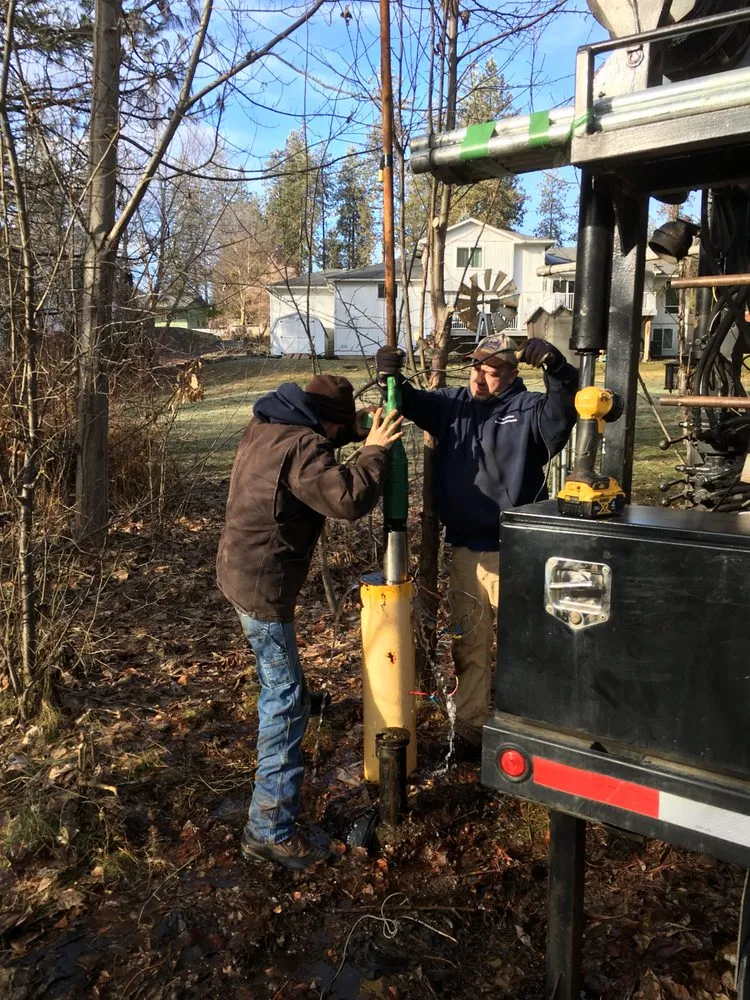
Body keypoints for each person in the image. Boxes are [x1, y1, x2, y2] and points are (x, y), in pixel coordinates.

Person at [217, 374, 402, 870]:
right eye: (339, 427)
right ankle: (269, 830)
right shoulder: (302, 445)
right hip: (262, 586)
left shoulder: (268, 422)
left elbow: (317, 446)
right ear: (325, 421)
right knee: (284, 702)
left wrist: (355, 430)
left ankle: (292, 692)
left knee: (280, 677)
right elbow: (347, 498)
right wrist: (376, 449)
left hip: (238, 570)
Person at [375, 335, 578, 748]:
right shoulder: (454, 404)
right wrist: (387, 376)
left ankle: (529, 727)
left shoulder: (529, 411)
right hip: (466, 552)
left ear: (512, 374)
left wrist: (558, 369)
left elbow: (566, 408)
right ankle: (471, 728)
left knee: (526, 644)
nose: (480, 379)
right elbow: (408, 401)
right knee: (469, 645)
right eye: (475, 369)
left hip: (515, 554)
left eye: (491, 371)